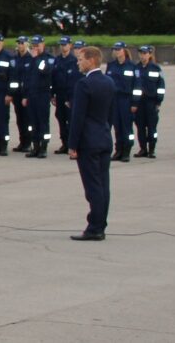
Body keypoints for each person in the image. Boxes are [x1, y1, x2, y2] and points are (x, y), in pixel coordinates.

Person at [67, 47, 115, 241]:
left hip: (88, 141)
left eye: (80, 59)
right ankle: (100, 225)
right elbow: (110, 113)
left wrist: (72, 144)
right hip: (103, 137)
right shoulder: (109, 82)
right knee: (103, 185)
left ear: (91, 60)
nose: (78, 63)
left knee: (93, 187)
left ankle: (95, 227)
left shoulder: (84, 84)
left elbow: (77, 117)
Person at [134, 45, 165, 158]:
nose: (142, 56)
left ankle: (152, 149)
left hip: (151, 102)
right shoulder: (136, 68)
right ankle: (143, 149)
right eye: (141, 53)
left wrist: (159, 101)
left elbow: (161, 86)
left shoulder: (156, 68)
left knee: (152, 127)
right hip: (139, 103)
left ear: (150, 54)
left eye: (145, 53)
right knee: (140, 127)